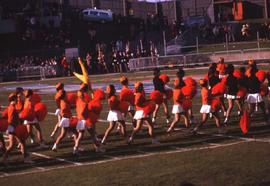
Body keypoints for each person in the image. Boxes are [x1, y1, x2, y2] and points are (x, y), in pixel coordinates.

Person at [3, 93, 31, 164]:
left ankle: (5, 158)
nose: (17, 100)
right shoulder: (12, 108)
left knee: (12, 145)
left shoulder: (11, 107)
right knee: (22, 142)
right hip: (13, 128)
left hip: (12, 128)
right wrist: (12, 130)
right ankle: (26, 159)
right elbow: (11, 120)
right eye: (16, 99)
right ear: (13, 99)